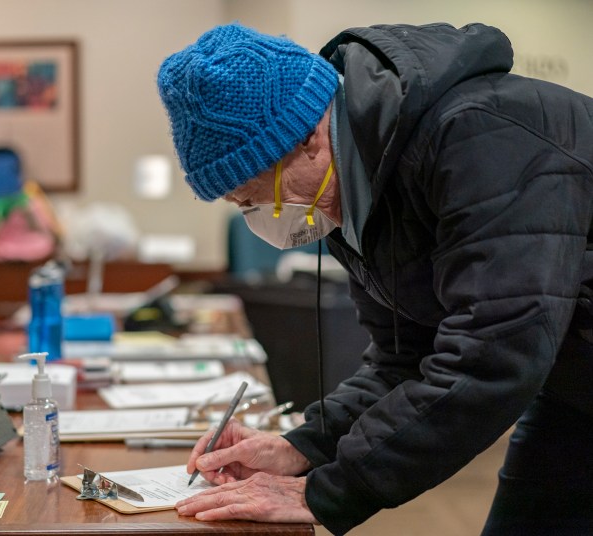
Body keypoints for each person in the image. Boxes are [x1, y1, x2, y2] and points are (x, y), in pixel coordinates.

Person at [157, 22, 592, 535]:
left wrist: (329, 492)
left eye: (254, 198)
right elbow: (403, 357)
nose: (256, 216)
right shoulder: (352, 187)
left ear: (311, 138)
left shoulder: (479, 134)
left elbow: (493, 354)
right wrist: (303, 447)